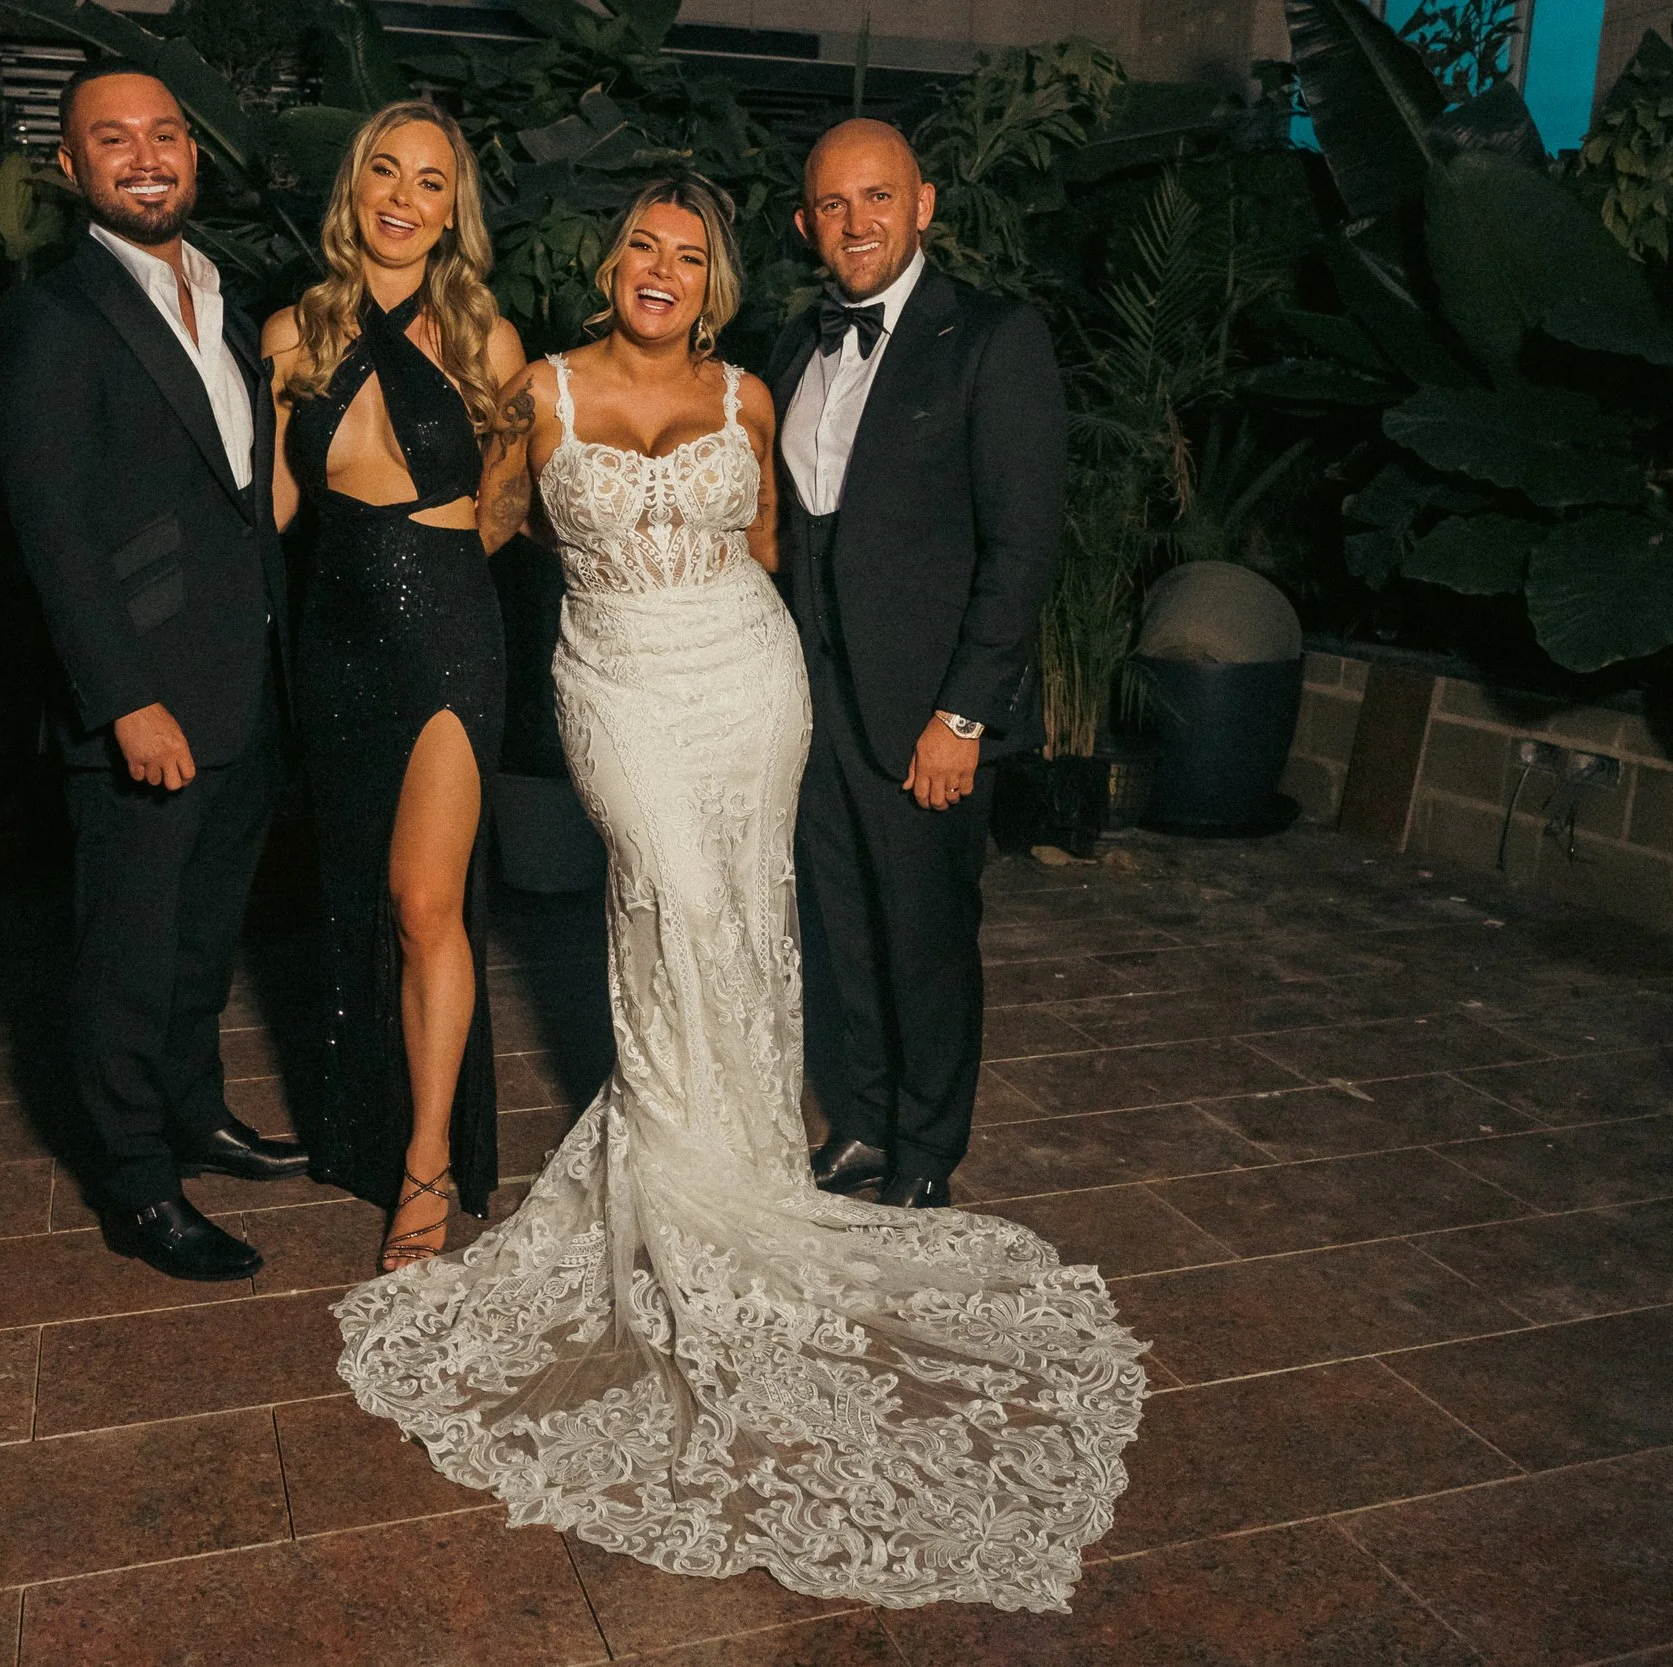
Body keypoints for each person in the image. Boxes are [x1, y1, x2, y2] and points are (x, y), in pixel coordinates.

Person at [334, 177, 1146, 1614]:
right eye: (639, 244)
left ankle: (750, 1173)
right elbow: (486, 522)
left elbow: (777, 549)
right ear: (610, 264)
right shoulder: (543, 384)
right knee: (673, 901)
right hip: (620, 685)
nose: (659, 267)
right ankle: (687, 1196)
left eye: (687, 254)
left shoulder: (751, 395)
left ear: (714, 284)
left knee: (752, 921)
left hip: (746, 679)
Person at [0, 62, 312, 1282]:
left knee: (201, 935)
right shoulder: (53, 318)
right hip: (145, 702)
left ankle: (195, 1111)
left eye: (163, 133)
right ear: (69, 170)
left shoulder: (225, 303)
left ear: (193, 151)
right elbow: (52, 534)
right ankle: (135, 1181)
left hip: (240, 686)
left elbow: (235, 500)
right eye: (109, 140)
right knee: (126, 950)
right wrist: (124, 698)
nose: (144, 156)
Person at [769, 119, 1065, 1211]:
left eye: (878, 198)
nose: (857, 223)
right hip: (808, 703)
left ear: (923, 204)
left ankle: (928, 1146)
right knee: (840, 924)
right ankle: (860, 1121)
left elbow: (1022, 547)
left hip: (926, 710)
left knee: (927, 934)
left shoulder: (992, 336)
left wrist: (966, 716)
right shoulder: (795, 344)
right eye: (834, 205)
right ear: (807, 223)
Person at [262, 102, 529, 1271]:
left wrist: (441, 576)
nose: (402, 197)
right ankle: (369, 1117)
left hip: (446, 637)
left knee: (427, 901)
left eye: (431, 181)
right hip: (333, 637)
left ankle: (424, 1158)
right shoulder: (289, 334)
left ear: (451, 209)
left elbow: (512, 505)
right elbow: (266, 513)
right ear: (354, 187)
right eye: (385, 171)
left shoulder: (488, 342)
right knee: (357, 901)